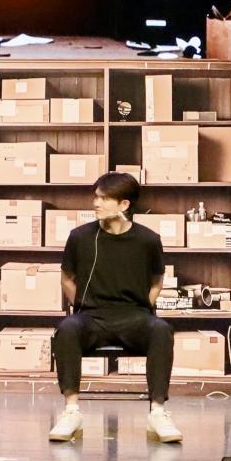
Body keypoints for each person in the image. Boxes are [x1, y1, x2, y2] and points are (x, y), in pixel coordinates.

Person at [49, 172, 182, 443]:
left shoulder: (148, 240)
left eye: (104, 198)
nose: (95, 203)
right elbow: (66, 279)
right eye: (95, 197)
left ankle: (158, 412)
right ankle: (71, 411)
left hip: (134, 316)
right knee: (67, 329)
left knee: (161, 330)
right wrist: (82, 304)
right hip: (91, 317)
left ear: (124, 204)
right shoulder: (80, 237)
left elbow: (157, 281)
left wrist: (144, 306)